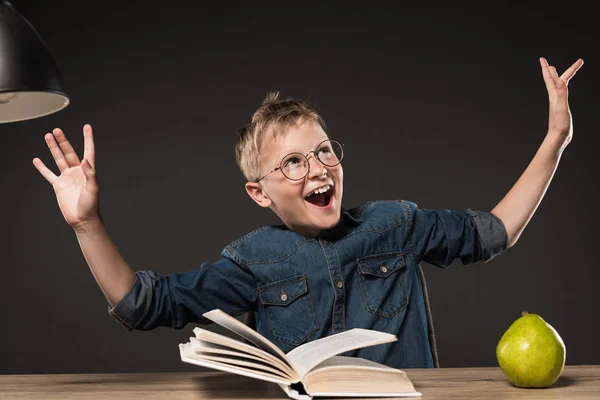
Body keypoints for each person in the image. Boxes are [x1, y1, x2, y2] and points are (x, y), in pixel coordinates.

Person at [32, 57, 583, 369]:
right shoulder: (251, 262)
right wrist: (86, 224)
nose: (317, 169)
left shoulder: (396, 225)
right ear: (260, 193)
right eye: (291, 163)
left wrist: (555, 140)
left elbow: (495, 232)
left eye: (323, 152)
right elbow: (142, 305)